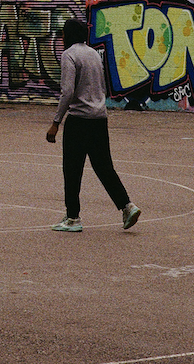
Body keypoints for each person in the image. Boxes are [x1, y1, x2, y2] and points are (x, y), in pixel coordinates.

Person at [45, 17, 140, 234]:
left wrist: (56, 122)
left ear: (67, 36)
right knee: (104, 167)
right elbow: (101, 86)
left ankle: (72, 217)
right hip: (99, 118)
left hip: (79, 120)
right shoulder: (94, 54)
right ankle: (127, 206)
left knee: (72, 169)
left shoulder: (69, 55)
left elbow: (67, 91)